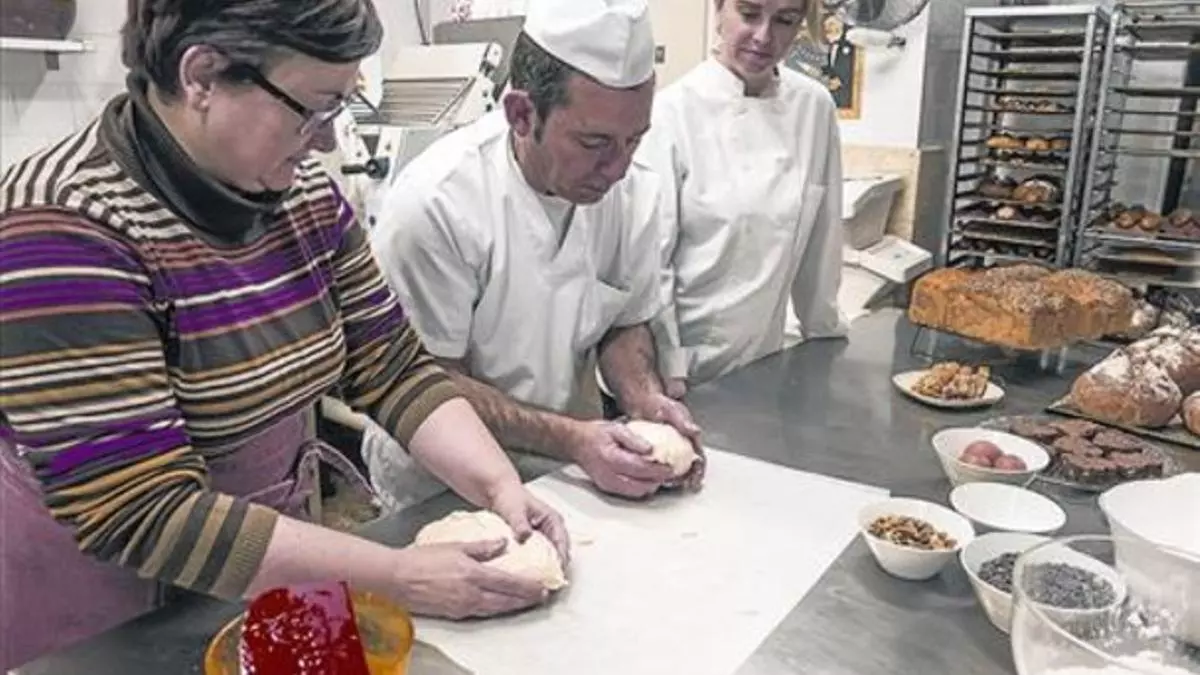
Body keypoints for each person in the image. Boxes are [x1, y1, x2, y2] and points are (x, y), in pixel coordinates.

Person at [0, 0, 569, 668]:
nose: (326, 142)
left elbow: (392, 366)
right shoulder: (60, 226)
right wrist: (397, 575)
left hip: (284, 553)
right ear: (203, 75)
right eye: (317, 108)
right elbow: (141, 508)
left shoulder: (301, 197)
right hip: (112, 603)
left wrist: (500, 486)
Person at [366, 0, 705, 503]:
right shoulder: (437, 204)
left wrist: (643, 399)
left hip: (571, 467)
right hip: (444, 482)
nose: (617, 168)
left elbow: (623, 321)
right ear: (522, 114)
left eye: (634, 140)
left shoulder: (631, 191)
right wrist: (572, 438)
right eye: (594, 142)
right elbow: (429, 381)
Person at [642, 0, 849, 396]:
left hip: (764, 365)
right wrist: (670, 373)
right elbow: (652, 264)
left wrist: (825, 347)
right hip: (679, 373)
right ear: (719, 9)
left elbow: (821, 244)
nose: (764, 37)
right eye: (749, 14)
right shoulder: (672, 113)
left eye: (785, 20)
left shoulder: (814, 108)